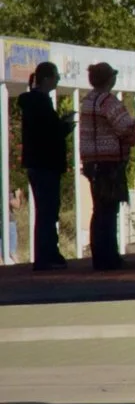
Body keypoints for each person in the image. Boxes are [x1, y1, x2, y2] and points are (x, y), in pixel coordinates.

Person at [77, 62, 135, 271]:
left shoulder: (87, 101)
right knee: (109, 210)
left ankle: (99, 256)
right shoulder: (108, 101)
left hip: (91, 161)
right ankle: (110, 257)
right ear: (109, 79)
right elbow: (123, 128)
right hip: (109, 161)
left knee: (99, 209)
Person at [15, 63, 70, 269]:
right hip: (45, 163)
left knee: (46, 209)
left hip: (36, 163)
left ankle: (48, 252)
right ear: (47, 79)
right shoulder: (40, 103)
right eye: (56, 76)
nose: (58, 80)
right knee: (47, 210)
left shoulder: (32, 103)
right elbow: (48, 133)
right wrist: (64, 127)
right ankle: (45, 255)